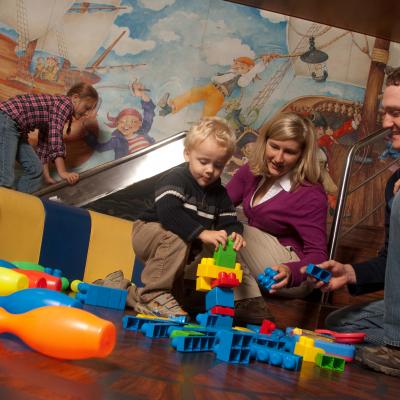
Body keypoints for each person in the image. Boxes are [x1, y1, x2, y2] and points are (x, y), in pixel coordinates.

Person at [128, 117, 273, 323]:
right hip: (150, 232)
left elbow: (229, 221)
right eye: (203, 161)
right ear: (188, 154)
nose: (209, 170)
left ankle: (129, 293)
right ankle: (153, 293)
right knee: (176, 238)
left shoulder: (219, 194)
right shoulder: (176, 178)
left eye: (218, 165)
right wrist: (203, 233)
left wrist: (235, 234)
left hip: (182, 246)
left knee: (176, 300)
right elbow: (169, 213)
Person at [306, 67, 400, 377]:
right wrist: (350, 272)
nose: (386, 123)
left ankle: (395, 348)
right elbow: (392, 261)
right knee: (342, 324)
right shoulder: (395, 182)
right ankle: (388, 342)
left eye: (396, 113)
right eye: (386, 113)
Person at [226, 112, 328, 298]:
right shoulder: (251, 170)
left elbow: (318, 254)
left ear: (301, 155)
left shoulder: (310, 193)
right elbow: (220, 204)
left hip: (287, 270)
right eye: (274, 147)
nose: (278, 158)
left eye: (289, 152)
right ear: (264, 142)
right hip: (253, 257)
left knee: (231, 230)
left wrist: (292, 272)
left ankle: (249, 303)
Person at [0, 82, 98, 193]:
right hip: (6, 120)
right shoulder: (64, 104)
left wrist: (46, 176)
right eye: (86, 107)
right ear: (75, 98)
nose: (87, 113)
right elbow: (55, 136)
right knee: (5, 177)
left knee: (36, 170)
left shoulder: (55, 110)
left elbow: (44, 143)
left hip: (16, 128)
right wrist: (62, 172)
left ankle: (17, 205)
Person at [158, 54, 279, 118]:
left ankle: (202, 131)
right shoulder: (231, 71)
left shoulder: (243, 78)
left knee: (209, 112)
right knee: (191, 94)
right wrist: (233, 70)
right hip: (210, 87)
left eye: (241, 67)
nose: (237, 67)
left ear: (249, 69)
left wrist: (264, 62)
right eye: (236, 64)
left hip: (219, 95)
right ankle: (169, 108)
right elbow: (217, 78)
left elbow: (253, 72)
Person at [86, 81, 155, 160]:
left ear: (139, 124)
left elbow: (149, 112)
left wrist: (143, 94)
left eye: (133, 122)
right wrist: (87, 134)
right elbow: (101, 148)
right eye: (122, 121)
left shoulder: (143, 130)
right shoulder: (116, 141)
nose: (127, 125)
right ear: (117, 123)